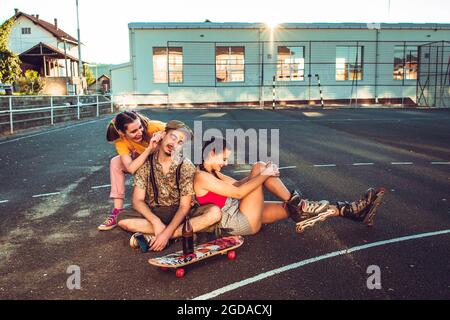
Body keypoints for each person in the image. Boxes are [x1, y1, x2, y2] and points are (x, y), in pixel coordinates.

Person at [194, 137, 385, 236]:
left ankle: (350, 211)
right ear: (212, 152)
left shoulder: (214, 173)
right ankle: (300, 204)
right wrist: (263, 173)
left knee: (290, 208)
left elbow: (237, 184)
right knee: (259, 167)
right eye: (224, 158)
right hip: (238, 221)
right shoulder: (200, 176)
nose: (225, 163)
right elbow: (238, 192)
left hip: (241, 211)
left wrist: (263, 174)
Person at [117, 120, 222, 252]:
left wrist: (166, 235)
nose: (174, 144)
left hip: (182, 213)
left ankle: (168, 235)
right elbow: (137, 201)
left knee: (215, 212)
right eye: (173, 137)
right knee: (122, 219)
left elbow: (185, 206)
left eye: (180, 142)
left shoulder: (185, 166)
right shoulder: (145, 163)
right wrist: (155, 221)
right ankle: (184, 232)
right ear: (163, 134)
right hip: (156, 211)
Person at [97, 111, 166, 231]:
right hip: (145, 158)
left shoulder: (152, 126)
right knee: (115, 162)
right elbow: (131, 168)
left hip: (163, 161)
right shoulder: (120, 140)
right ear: (121, 132)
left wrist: (166, 134)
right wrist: (149, 149)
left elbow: (184, 132)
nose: (140, 132)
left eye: (140, 127)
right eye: (133, 131)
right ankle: (117, 211)